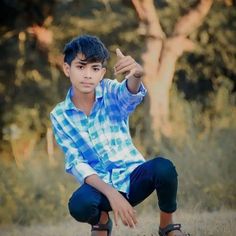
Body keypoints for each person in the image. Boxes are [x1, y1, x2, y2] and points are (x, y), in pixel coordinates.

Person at [50, 35, 189, 236]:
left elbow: (128, 95)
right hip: (101, 188)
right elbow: (76, 163)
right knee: (79, 204)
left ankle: (167, 227)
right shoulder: (59, 115)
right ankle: (102, 222)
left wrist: (137, 74)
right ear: (67, 69)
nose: (88, 75)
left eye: (94, 68)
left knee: (164, 168)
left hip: (132, 178)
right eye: (81, 67)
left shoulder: (109, 90)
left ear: (102, 73)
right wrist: (111, 193)